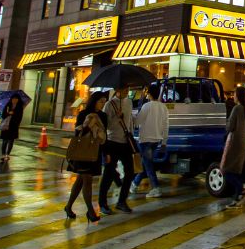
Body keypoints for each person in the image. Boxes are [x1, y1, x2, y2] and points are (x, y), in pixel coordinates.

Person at [66, 93, 108, 223]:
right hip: (83, 151)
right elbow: (78, 133)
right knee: (87, 180)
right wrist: (88, 124)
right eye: (100, 101)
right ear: (94, 101)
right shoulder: (84, 114)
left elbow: (104, 136)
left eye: (104, 102)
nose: (102, 104)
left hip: (95, 151)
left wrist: (106, 153)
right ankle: (90, 211)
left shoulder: (103, 116)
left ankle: (68, 207)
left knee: (80, 180)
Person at [99, 85, 138, 215]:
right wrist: (116, 116)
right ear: (118, 90)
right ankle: (103, 203)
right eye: (125, 89)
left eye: (128, 89)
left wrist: (131, 135)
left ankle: (122, 201)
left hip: (125, 142)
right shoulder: (109, 105)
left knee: (130, 172)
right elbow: (105, 125)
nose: (127, 91)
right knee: (109, 173)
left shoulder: (129, 102)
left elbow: (130, 122)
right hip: (112, 141)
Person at [131, 84, 170, 198]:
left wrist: (131, 116)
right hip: (156, 140)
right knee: (145, 163)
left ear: (149, 94)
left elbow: (137, 122)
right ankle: (134, 184)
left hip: (145, 140)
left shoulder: (146, 106)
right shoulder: (164, 107)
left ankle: (155, 188)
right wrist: (164, 142)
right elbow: (166, 126)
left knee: (148, 165)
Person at [221, 86, 245, 206]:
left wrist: (226, 123)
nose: (233, 96)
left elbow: (230, 127)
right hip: (243, 142)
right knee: (236, 170)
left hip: (234, 142)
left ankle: (241, 190)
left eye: (235, 94)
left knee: (225, 169)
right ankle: (237, 196)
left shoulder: (237, 108)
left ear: (238, 95)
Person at [0, 94, 25, 161]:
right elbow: (3, 115)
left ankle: (7, 154)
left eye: (16, 99)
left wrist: (14, 116)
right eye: (13, 99)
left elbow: (20, 117)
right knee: (5, 141)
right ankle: (3, 154)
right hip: (6, 125)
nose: (14, 100)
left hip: (14, 126)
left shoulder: (20, 107)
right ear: (11, 99)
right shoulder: (7, 105)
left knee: (11, 141)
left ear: (18, 100)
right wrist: (9, 113)